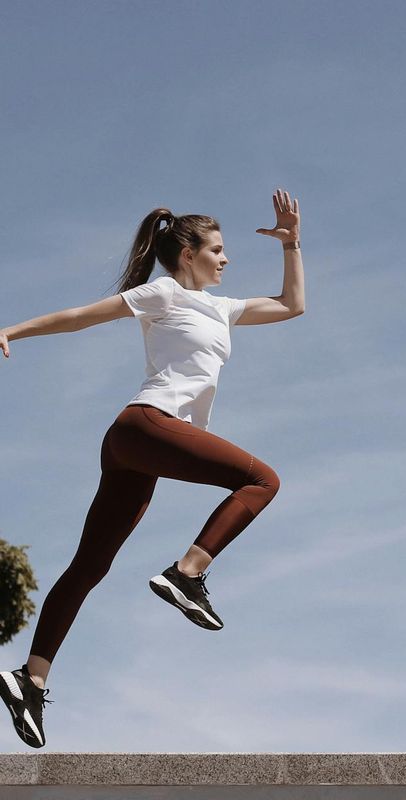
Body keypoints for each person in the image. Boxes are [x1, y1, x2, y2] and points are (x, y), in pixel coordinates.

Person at [0, 188, 304, 748]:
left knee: (90, 564)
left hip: (135, 445)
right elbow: (79, 319)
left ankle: (30, 679)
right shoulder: (162, 292)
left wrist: (292, 244)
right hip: (145, 425)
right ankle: (186, 574)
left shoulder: (224, 307)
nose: (225, 258)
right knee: (264, 480)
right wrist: (12, 330)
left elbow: (291, 305)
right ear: (187, 254)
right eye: (217, 249)